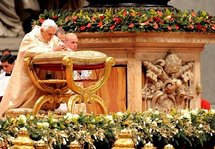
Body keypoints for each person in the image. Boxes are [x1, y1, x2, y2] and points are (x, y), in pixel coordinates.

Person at [0, 19, 67, 117]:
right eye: (49, 34)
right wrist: (52, 50)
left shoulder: (53, 38)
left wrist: (64, 48)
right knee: (24, 102)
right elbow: (30, 51)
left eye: (53, 34)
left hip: (45, 75)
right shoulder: (30, 38)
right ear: (42, 30)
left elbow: (60, 46)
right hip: (29, 75)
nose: (52, 37)